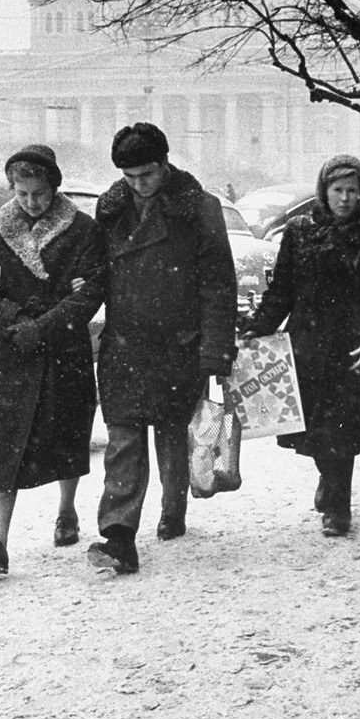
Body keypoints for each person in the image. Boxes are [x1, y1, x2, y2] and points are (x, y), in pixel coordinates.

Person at [86, 123, 238, 575]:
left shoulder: (199, 209)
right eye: (129, 176)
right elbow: (98, 271)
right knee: (124, 438)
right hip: (125, 343)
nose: (138, 185)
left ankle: (173, 509)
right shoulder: (111, 210)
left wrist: (215, 350)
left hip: (178, 345)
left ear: (165, 163)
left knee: (172, 432)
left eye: (147, 174)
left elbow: (218, 284)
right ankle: (118, 534)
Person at [240, 156, 360, 537]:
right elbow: (282, 291)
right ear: (324, 191)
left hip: (352, 351)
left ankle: (338, 507)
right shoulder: (299, 232)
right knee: (315, 432)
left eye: (353, 191)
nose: (345, 199)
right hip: (307, 347)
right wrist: (257, 327)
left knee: (341, 433)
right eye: (338, 190)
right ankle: (329, 480)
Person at [0, 145, 106, 575]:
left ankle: (66, 511)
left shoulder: (83, 229)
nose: (31, 202)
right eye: (22, 193)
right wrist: (12, 322)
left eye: (39, 193)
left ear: (55, 188)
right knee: (2, 445)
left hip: (63, 347)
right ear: (12, 188)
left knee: (68, 432)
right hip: (11, 352)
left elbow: (90, 293)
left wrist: (42, 327)